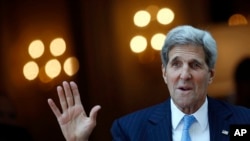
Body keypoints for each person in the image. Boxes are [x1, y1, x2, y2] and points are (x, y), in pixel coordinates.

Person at [47, 25, 250, 141]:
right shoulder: (130, 130)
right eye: (176, 64)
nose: (184, 74)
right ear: (164, 73)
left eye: (195, 65)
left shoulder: (243, 122)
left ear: (211, 74)